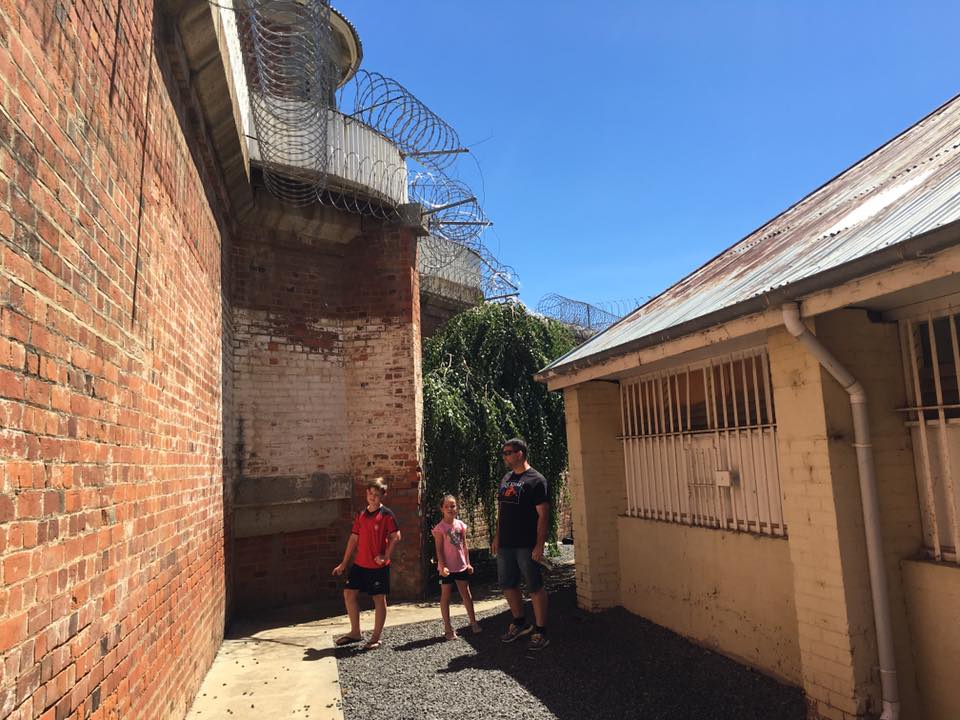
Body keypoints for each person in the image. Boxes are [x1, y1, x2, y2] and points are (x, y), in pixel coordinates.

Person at [491, 437, 551, 650]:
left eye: (508, 452)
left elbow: (543, 515)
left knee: (534, 585)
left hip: (527, 544)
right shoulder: (506, 478)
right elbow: (502, 510)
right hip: (506, 543)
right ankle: (519, 622)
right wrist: (497, 536)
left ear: (520, 453)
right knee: (507, 583)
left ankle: (541, 630)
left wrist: (539, 545)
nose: (505, 456)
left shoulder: (536, 480)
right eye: (504, 453)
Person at [332, 477, 401, 649]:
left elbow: (396, 536)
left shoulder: (387, 515)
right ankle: (355, 632)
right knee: (348, 594)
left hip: (378, 567)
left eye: (376, 495)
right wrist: (343, 563)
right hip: (359, 564)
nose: (373, 497)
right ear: (366, 494)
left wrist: (385, 556)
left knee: (378, 599)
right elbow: (353, 538)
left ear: (382, 496)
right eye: (370, 493)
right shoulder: (361, 515)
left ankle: (376, 637)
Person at [432, 494, 482, 640]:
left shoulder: (460, 525)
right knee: (445, 597)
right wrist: (442, 566)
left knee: (466, 594)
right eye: (447, 506)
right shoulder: (439, 529)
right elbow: (439, 549)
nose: (450, 509)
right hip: (446, 568)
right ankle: (448, 628)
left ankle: (473, 622)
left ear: (457, 507)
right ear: (441, 509)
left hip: (461, 566)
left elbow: (465, 546)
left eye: (453, 505)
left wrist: (468, 562)